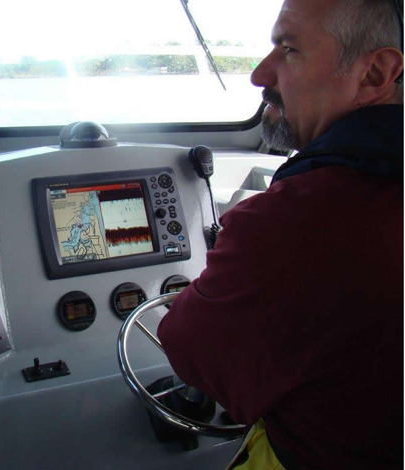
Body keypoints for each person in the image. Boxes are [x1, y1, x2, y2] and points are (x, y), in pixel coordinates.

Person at [157, 0, 404, 468]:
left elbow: (192, 348)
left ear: (375, 74)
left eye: (288, 49)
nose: (259, 74)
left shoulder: (288, 223)